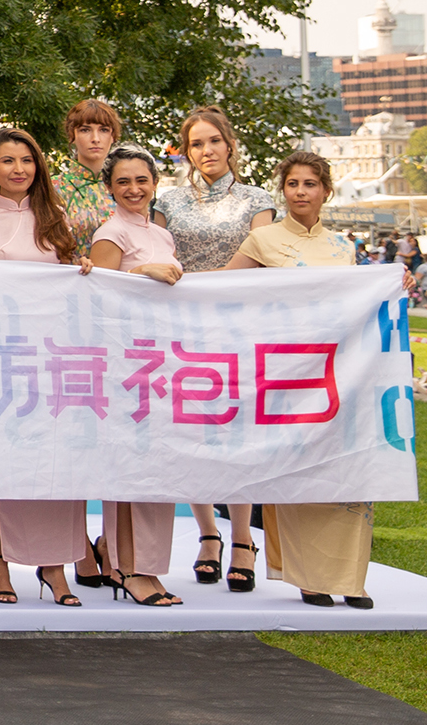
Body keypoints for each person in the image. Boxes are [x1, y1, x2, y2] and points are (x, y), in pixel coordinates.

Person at [222, 150, 376, 609]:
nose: (300, 192)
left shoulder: (343, 248)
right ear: (282, 190)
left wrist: (394, 283)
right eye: (292, 184)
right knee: (298, 469)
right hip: (285, 375)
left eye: (310, 184)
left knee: (344, 470)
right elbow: (218, 291)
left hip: (339, 373)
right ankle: (310, 576)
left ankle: (351, 578)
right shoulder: (262, 240)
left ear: (326, 191)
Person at [0, 127, 95, 607]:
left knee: (54, 463)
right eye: (8, 161)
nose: (18, 169)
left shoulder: (57, 218)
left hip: (51, 358)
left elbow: (70, 279)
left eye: (27, 160)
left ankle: (55, 567)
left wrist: (82, 269)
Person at [151, 107, 276, 594]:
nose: (207, 151)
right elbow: (156, 258)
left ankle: (243, 538)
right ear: (186, 151)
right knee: (191, 430)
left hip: (239, 327)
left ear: (230, 144)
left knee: (237, 432)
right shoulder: (167, 202)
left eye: (214, 141)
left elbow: (261, 260)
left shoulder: (258, 199)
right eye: (196, 143)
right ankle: (208, 534)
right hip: (181, 329)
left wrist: (199, 285)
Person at [86, 144, 186, 607]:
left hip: (161, 365)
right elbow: (99, 296)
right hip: (124, 367)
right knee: (129, 469)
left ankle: (136, 560)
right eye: (123, 181)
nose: (133, 189)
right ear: (109, 188)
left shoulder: (161, 234)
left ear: (155, 184)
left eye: (141, 180)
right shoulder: (110, 233)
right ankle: (131, 569)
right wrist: (143, 271)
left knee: (157, 471)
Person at [52, 99, 122, 237]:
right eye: (85, 130)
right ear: (72, 135)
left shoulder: (124, 185)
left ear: (113, 136)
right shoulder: (55, 187)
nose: (95, 138)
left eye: (103, 130)